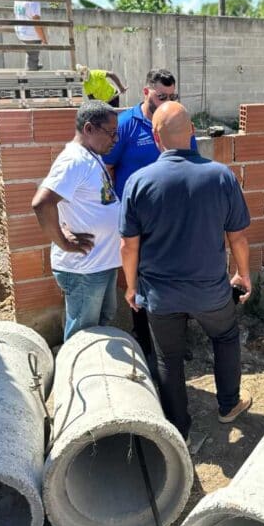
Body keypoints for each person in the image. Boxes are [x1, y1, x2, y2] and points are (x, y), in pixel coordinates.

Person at [119, 101, 252, 440]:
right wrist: (243, 274)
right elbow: (237, 236)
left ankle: (179, 429)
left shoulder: (138, 182)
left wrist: (131, 287)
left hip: (161, 297)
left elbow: (129, 246)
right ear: (193, 132)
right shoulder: (222, 176)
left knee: (168, 359)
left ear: (155, 135)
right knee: (224, 337)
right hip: (211, 290)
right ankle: (228, 405)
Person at [103, 69, 196, 362]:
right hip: (139, 224)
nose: (166, 101)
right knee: (141, 285)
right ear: (146, 93)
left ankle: (177, 343)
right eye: (161, 96)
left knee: (177, 280)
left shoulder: (177, 121)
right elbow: (108, 167)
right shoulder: (127, 125)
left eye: (172, 96)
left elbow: (189, 162)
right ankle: (145, 344)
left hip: (174, 220)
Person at [32, 100, 121, 342]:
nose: (115, 139)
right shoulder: (74, 160)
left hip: (101, 262)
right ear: (89, 129)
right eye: (111, 133)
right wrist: (63, 242)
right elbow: (42, 203)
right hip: (84, 268)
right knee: (83, 333)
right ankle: (73, 378)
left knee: (101, 323)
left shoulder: (91, 156)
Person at [14, 0, 48, 71]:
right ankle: (32, 72)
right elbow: (36, 23)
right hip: (30, 34)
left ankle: (32, 66)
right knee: (33, 54)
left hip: (20, 33)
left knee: (30, 52)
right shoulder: (34, 1)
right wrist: (44, 39)